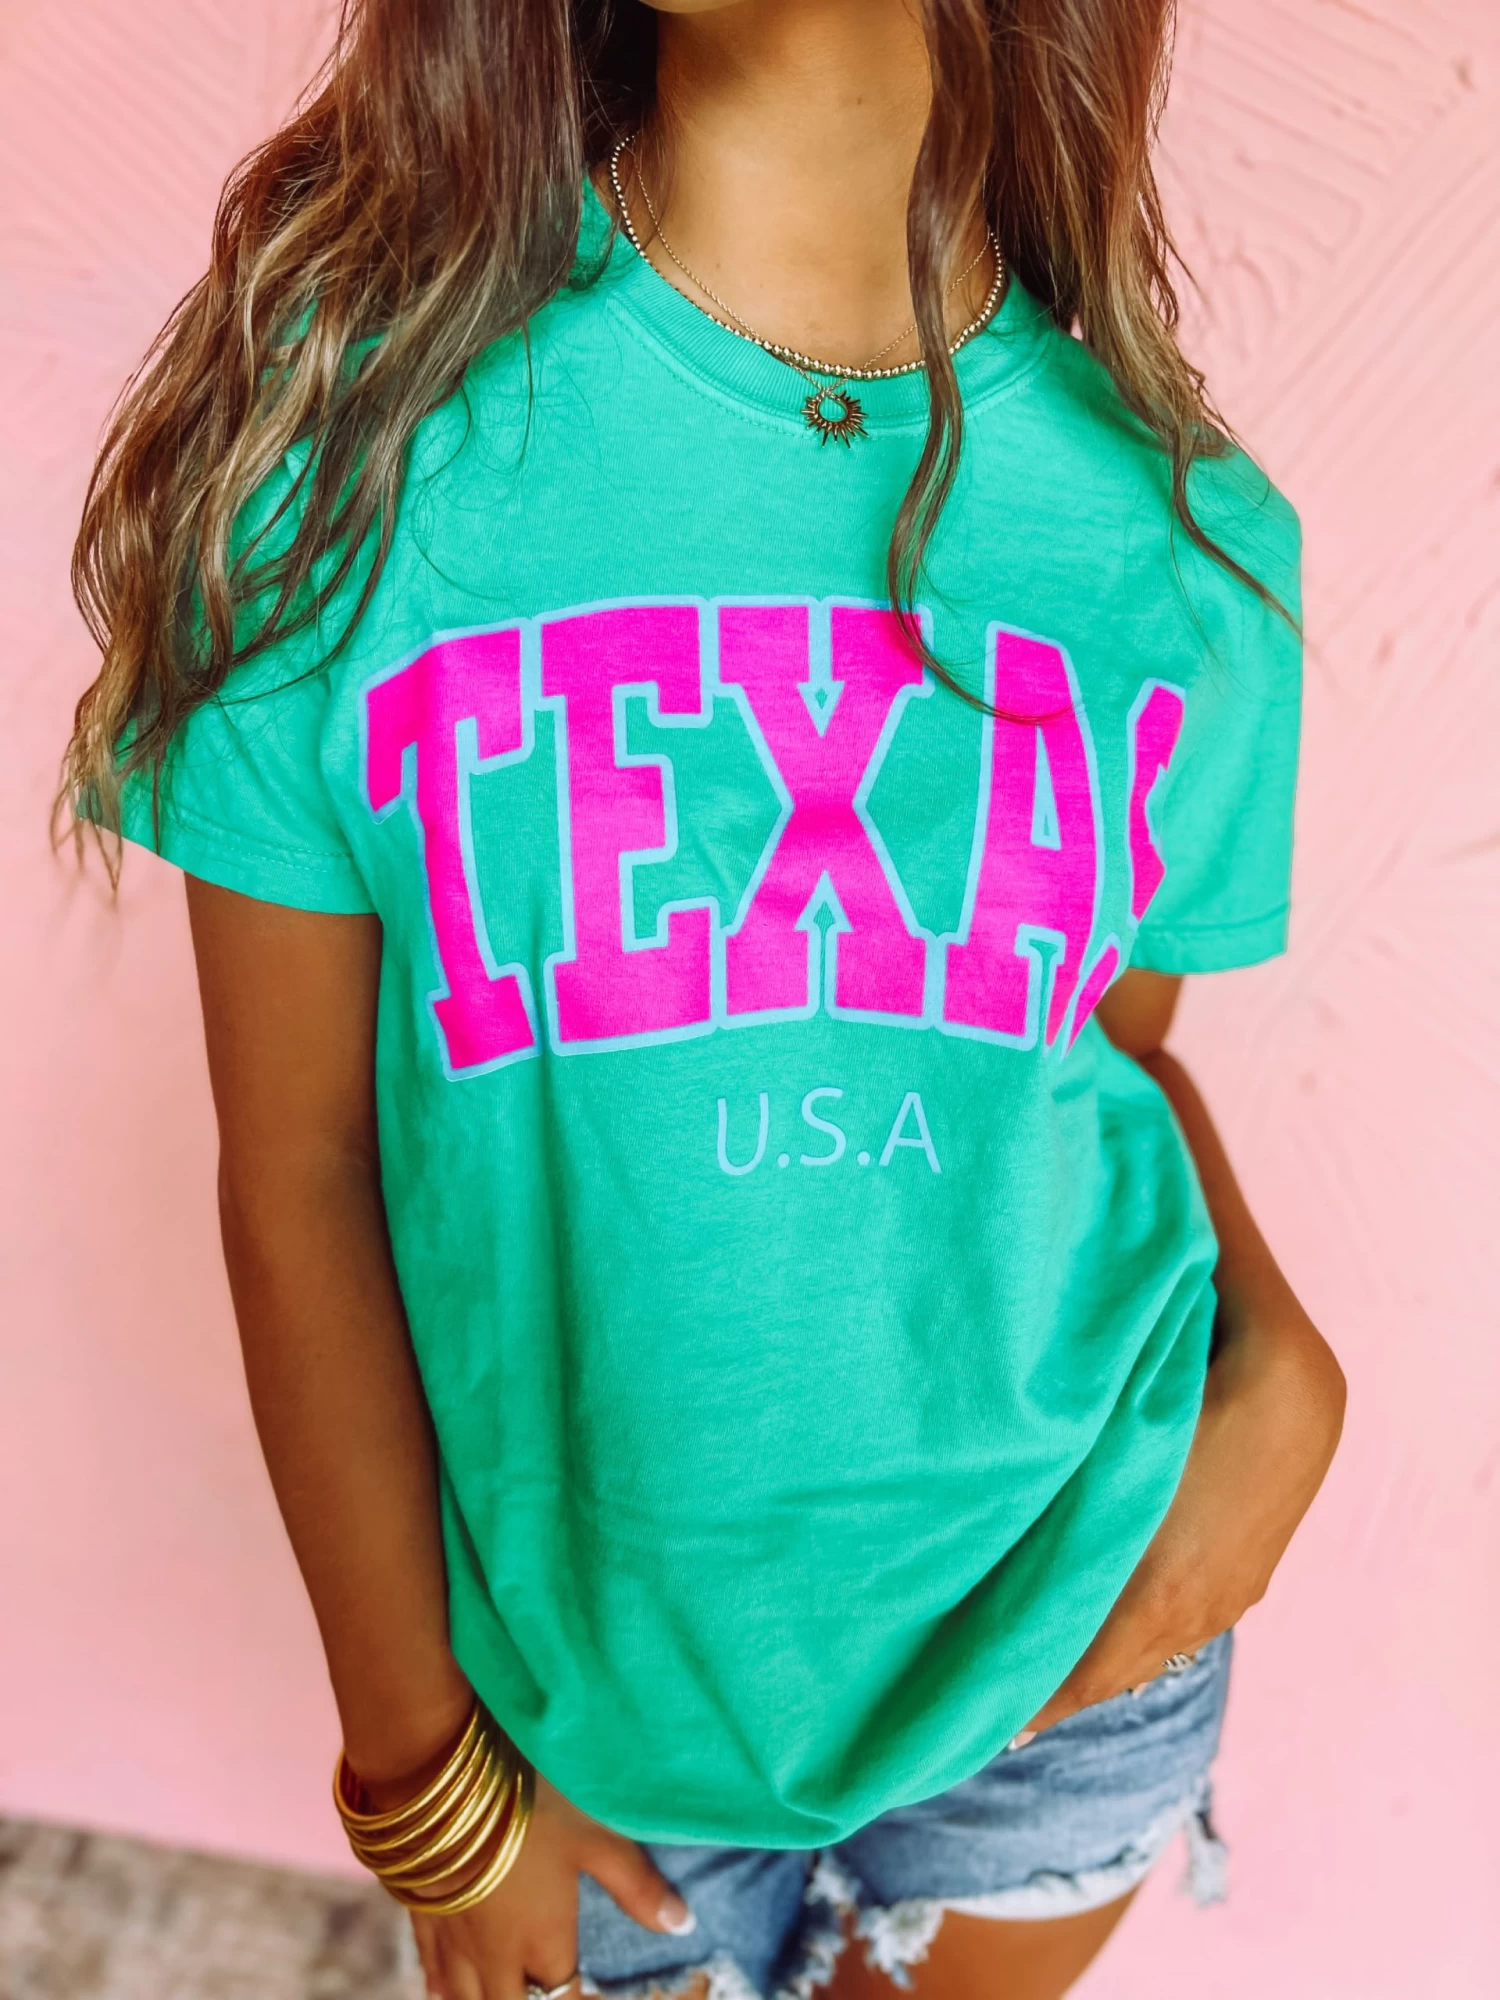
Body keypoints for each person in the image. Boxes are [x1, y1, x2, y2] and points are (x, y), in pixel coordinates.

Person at [61, 2, 1347, 1996]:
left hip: (1076, 1650)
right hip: (576, 1725)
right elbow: (298, 1166)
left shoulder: (1182, 543)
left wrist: (1281, 1378)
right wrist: (422, 1774)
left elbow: (1095, 1061)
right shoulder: (350, 449)